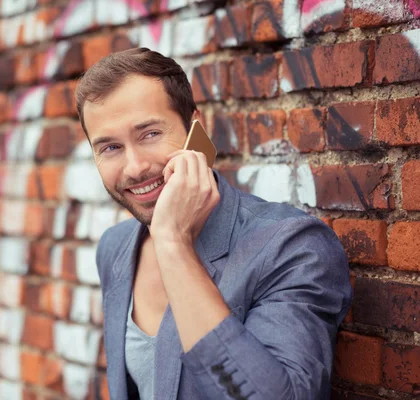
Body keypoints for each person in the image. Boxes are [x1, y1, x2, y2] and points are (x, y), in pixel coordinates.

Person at [75, 47, 352, 400]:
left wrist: (173, 244)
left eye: (149, 134)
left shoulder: (291, 247)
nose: (134, 167)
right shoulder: (115, 248)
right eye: (111, 148)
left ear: (195, 127)